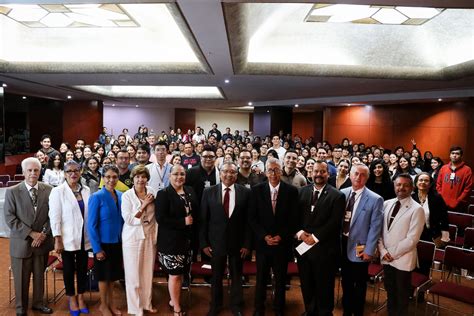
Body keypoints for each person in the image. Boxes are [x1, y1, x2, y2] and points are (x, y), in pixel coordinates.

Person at [200, 162, 252, 316]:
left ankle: (236, 306)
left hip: (238, 243)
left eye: (232, 172)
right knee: (216, 276)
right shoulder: (208, 192)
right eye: (225, 171)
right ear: (220, 173)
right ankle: (215, 305)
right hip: (215, 243)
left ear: (237, 174)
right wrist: (203, 243)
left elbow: (249, 221)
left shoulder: (246, 192)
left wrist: (247, 243)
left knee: (237, 276)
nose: (229, 175)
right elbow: (203, 220)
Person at [4, 157, 54, 315]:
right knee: (21, 279)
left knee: (39, 276)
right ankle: (21, 308)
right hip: (22, 243)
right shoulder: (12, 191)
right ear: (24, 172)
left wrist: (43, 234)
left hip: (43, 242)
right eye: (30, 170)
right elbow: (10, 218)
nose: (33, 173)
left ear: (40, 172)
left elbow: (53, 215)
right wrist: (32, 234)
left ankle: (38, 303)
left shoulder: (49, 189)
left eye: (36, 170)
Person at [249, 158, 299, 316]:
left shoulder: (291, 191)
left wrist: (281, 236)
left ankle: (279, 309)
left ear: (281, 171)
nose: (273, 173)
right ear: (265, 172)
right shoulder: (256, 190)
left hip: (282, 244)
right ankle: (259, 309)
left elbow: (294, 219)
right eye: (270, 170)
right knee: (261, 279)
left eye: (276, 170)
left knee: (280, 279)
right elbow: (252, 218)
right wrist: (264, 236)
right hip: (263, 244)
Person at [296, 160, 346, 316]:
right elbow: (295, 217)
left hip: (324, 249)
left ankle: (324, 312)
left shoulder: (337, 195)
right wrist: (300, 233)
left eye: (322, 171)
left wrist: (315, 237)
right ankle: (310, 310)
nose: (318, 174)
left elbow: (335, 222)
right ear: (311, 172)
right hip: (303, 247)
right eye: (316, 171)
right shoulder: (302, 192)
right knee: (306, 282)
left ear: (328, 173)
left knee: (324, 284)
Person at [340, 163, 384, 316]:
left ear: (367, 177)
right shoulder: (342, 193)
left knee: (359, 284)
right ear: (350, 175)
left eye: (363, 174)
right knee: (345, 281)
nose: (358, 177)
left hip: (361, 247)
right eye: (356, 173)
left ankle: (357, 312)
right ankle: (346, 312)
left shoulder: (375, 199)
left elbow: (375, 227)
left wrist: (369, 250)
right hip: (342, 245)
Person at [378, 174, 424, 316]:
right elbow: (378, 231)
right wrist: (382, 251)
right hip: (385, 256)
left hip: (402, 259)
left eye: (405, 185)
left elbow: (412, 239)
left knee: (402, 295)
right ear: (394, 186)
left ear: (412, 188)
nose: (401, 188)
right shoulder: (386, 203)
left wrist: (391, 253)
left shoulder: (417, 209)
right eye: (398, 184)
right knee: (390, 292)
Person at [49, 160, 91, 315]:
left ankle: (81, 297)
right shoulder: (58, 191)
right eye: (69, 171)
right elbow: (54, 216)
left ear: (80, 172)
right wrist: (57, 238)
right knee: (68, 270)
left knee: (82, 269)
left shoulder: (86, 190)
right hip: (66, 238)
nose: (73, 174)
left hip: (84, 237)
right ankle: (71, 299)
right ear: (64, 174)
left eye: (76, 170)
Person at [156, 164, 199, 316]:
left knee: (180, 274)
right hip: (171, 243)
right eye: (176, 174)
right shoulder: (163, 194)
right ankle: (177, 308)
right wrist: (183, 222)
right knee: (174, 275)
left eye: (182, 174)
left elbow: (196, 212)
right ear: (170, 176)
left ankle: (174, 300)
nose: (179, 177)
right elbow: (160, 219)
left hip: (187, 241)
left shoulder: (190, 191)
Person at [88, 165, 124, 316]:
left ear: (118, 178)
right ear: (103, 178)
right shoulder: (96, 196)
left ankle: (112, 304)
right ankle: (103, 305)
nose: (111, 180)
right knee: (103, 277)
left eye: (114, 177)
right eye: (108, 177)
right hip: (103, 244)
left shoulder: (121, 195)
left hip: (118, 242)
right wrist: (96, 249)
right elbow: (91, 225)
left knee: (113, 277)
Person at [121, 166, 158, 316]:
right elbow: (129, 219)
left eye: (143, 177)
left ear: (147, 178)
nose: (140, 180)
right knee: (133, 274)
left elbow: (156, 215)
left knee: (147, 272)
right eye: (137, 177)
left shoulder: (152, 192)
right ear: (133, 178)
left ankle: (146, 303)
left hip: (149, 236)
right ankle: (136, 308)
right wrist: (143, 205)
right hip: (133, 237)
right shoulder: (127, 196)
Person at [413, 172, 449, 248]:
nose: (423, 182)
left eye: (426, 180)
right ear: (416, 182)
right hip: (412, 234)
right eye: (421, 180)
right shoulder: (411, 197)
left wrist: (445, 236)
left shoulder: (437, 198)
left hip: (431, 234)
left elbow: (444, 218)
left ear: (430, 184)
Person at [436, 146, 473, 213]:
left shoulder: (467, 170)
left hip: (459, 205)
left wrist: (458, 201)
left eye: (457, 154)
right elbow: (438, 184)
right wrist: (441, 198)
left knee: (455, 223)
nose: (454, 155)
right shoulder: (443, 168)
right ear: (450, 155)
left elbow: (468, 188)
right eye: (452, 153)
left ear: (461, 156)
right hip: (442, 203)